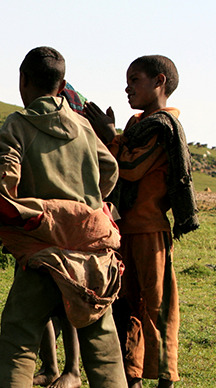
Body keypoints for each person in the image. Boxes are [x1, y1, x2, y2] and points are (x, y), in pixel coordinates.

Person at [0, 47, 127, 388]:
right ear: (61, 87)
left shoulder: (18, 125)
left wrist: (12, 194)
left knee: (20, 336)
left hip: (44, 254)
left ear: (23, 81)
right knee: (102, 343)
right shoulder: (84, 126)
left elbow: (5, 181)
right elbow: (110, 169)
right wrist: (87, 201)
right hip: (91, 259)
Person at [83, 55, 199, 388]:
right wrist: (111, 137)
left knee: (158, 306)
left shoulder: (164, 126)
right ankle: (131, 374)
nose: (127, 87)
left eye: (135, 80)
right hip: (124, 230)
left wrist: (110, 136)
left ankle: (166, 376)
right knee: (125, 303)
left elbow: (131, 168)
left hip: (150, 229)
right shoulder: (137, 124)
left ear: (159, 81)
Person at [32, 83, 88, 388]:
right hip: (44, 227)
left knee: (67, 303)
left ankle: (71, 370)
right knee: (43, 302)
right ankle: (52, 367)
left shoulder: (78, 134)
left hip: (66, 231)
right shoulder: (40, 130)